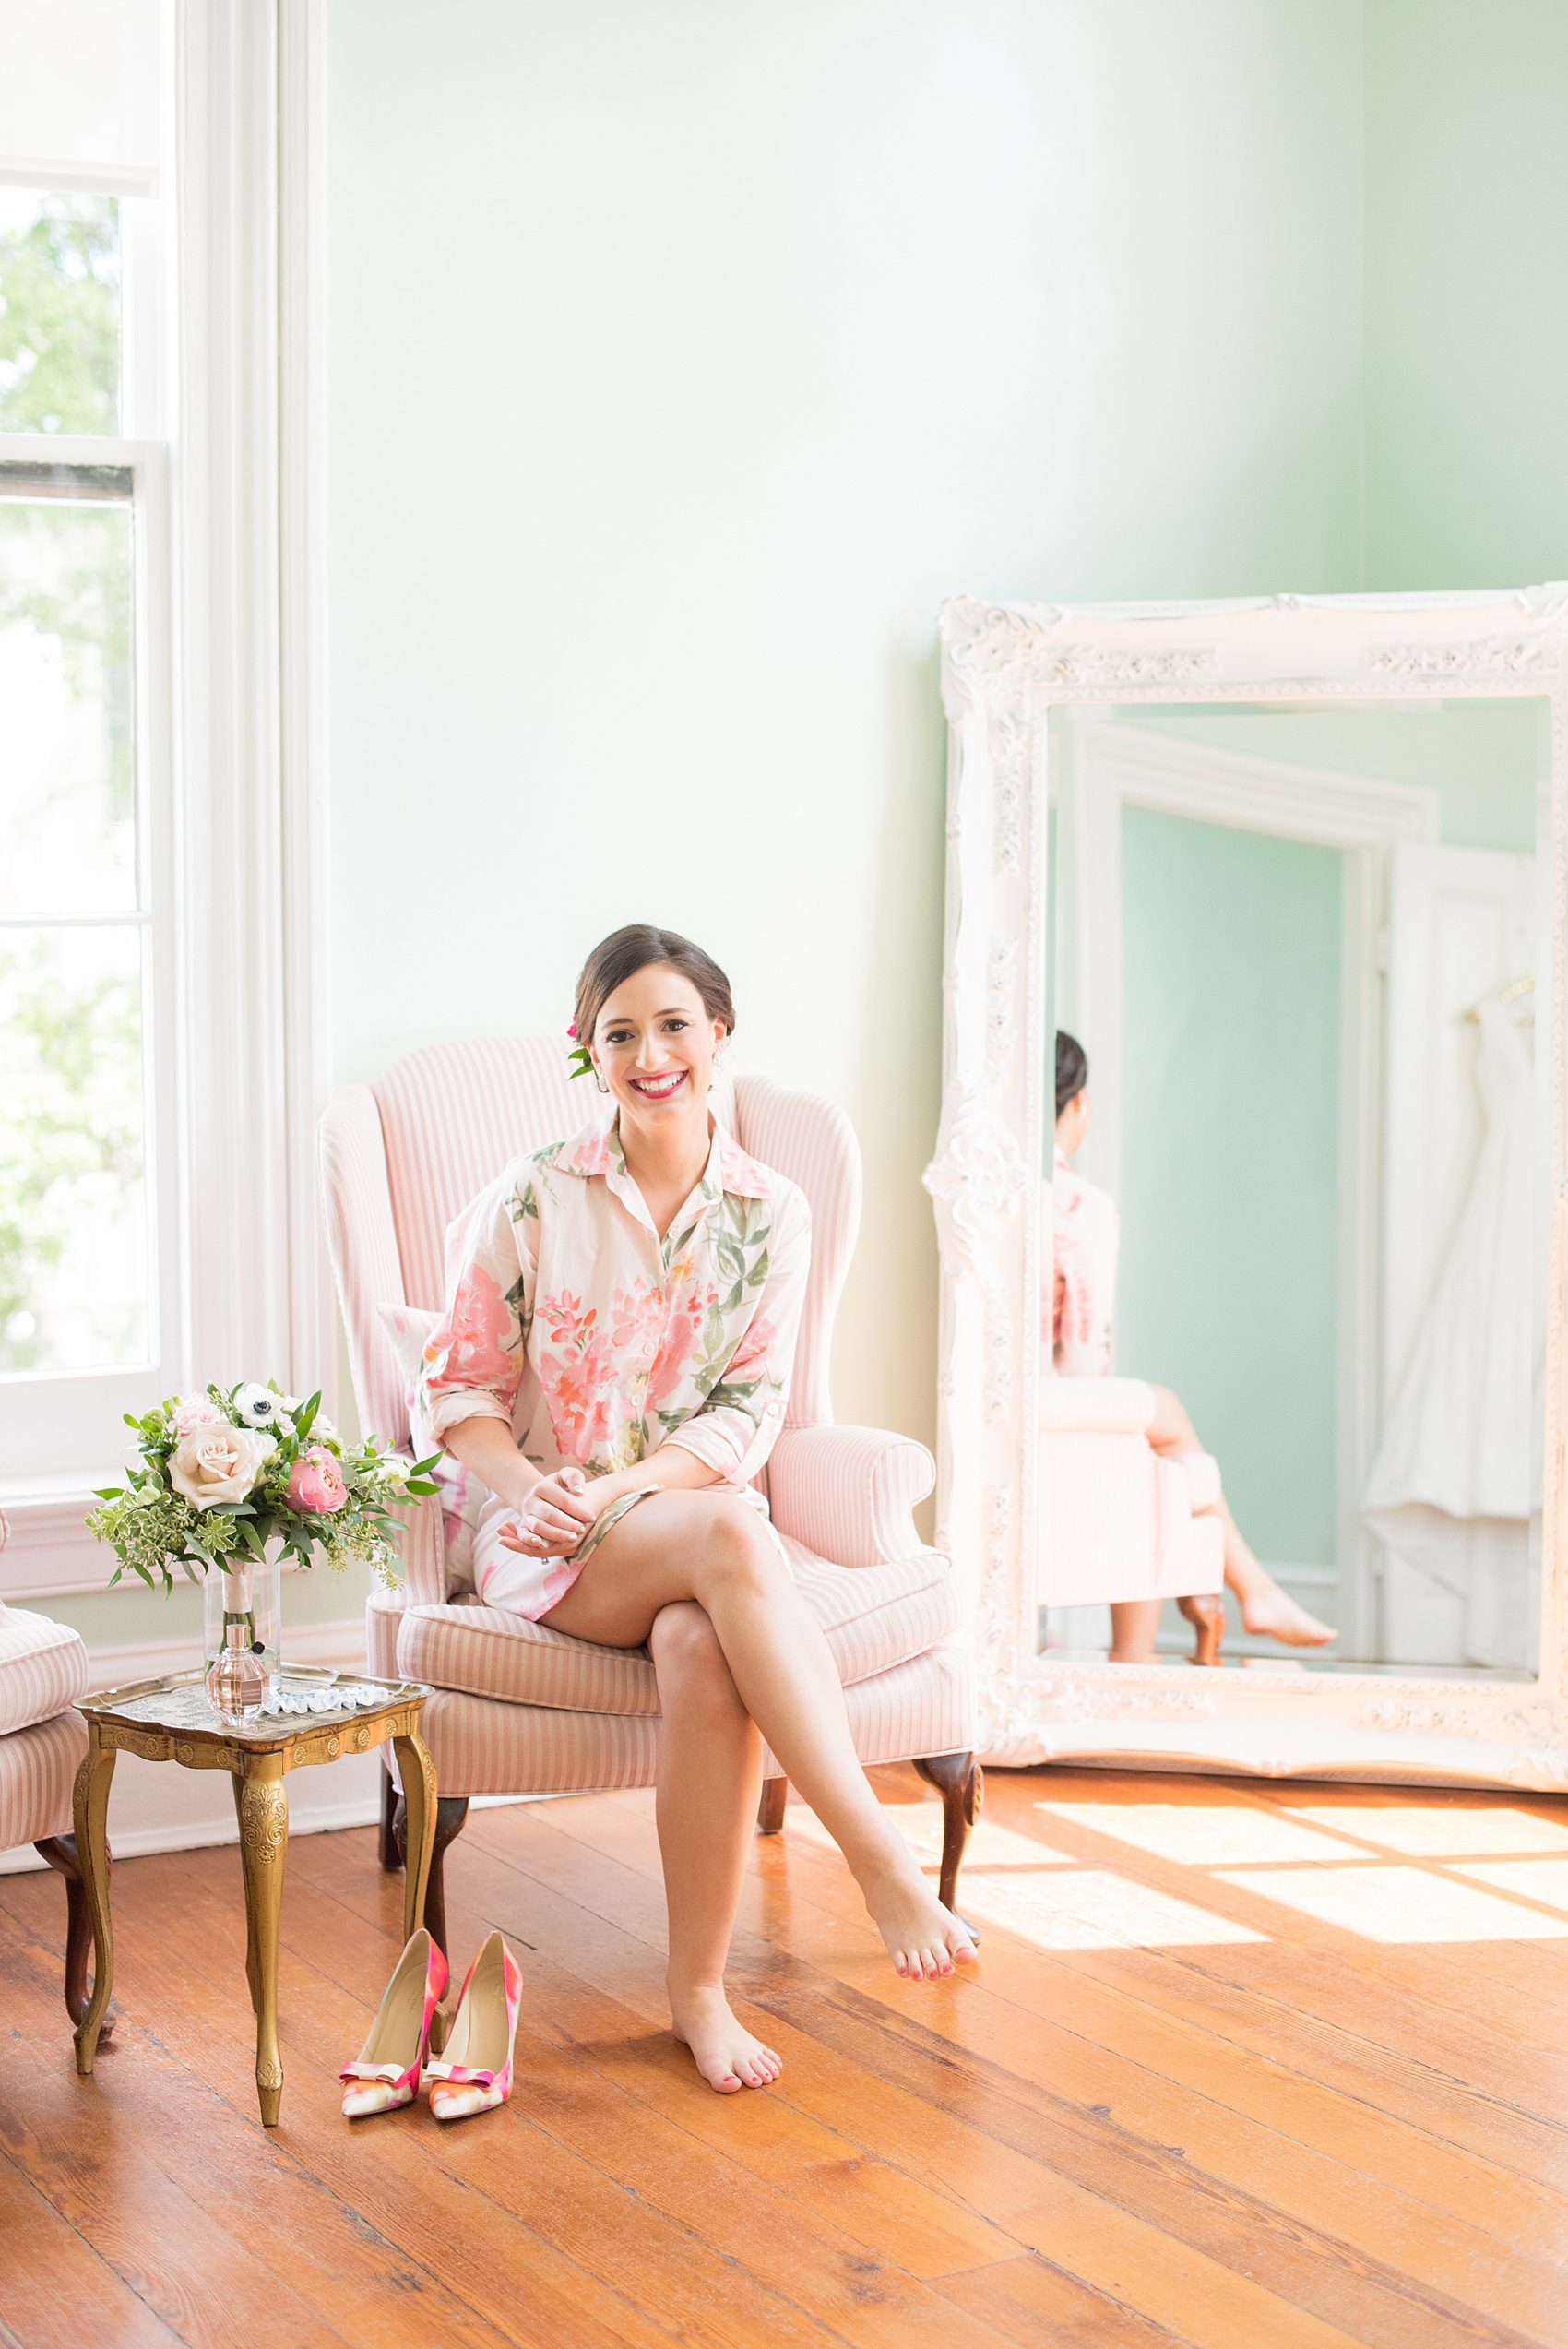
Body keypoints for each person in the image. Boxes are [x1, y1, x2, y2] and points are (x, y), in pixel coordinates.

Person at [422, 924, 976, 2096]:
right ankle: (875, 1852)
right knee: (736, 1528)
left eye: (673, 1022)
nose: (650, 1050)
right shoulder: (529, 1192)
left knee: (700, 1647)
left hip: (664, 1519)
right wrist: (536, 1493)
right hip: (540, 1540)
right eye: (618, 1031)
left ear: (718, 1034)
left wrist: (619, 1490)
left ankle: (697, 1991)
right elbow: (458, 1391)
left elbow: (744, 1412)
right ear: (587, 1052)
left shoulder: (771, 1208)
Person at [1051, 1031, 1336, 1662]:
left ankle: (1242, 1599)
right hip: (1048, 1407)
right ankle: (1171, 1638)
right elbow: (1082, 1363)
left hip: (994, 1402)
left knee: (1153, 1430)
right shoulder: (1078, 1204)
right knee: (1152, 1430)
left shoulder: (978, 1188)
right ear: (1079, 1105)